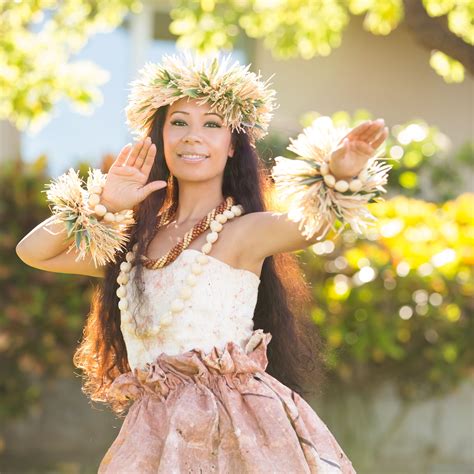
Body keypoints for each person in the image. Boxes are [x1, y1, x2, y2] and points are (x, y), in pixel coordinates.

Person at [16, 53, 390, 473]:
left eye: (212, 124)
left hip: (239, 432)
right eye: (179, 122)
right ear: (159, 137)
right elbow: (32, 251)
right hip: (153, 435)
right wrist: (104, 203)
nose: (193, 136)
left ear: (232, 145)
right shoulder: (133, 247)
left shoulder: (242, 233)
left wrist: (340, 170)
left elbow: (317, 224)